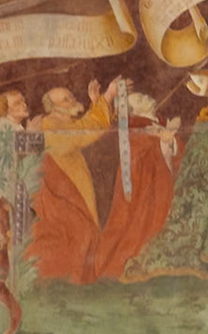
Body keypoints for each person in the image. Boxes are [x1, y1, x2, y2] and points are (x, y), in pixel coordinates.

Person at [26, 78, 179, 285]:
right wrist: (107, 96)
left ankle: (77, 279)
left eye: (70, 96)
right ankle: (67, 280)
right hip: (62, 195)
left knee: (85, 234)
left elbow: (81, 127)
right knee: (81, 234)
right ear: (53, 108)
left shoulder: (62, 122)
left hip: (73, 190)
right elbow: (83, 133)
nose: (71, 100)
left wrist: (97, 102)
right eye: (65, 100)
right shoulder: (50, 125)